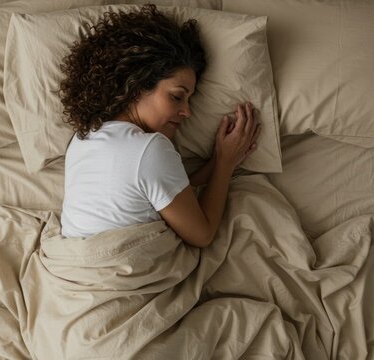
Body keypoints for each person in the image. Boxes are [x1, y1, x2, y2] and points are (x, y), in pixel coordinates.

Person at [59, 4, 260, 248]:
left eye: (189, 99)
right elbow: (203, 234)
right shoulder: (151, 147)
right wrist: (226, 165)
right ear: (135, 86)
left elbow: (164, 195)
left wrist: (219, 159)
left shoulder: (81, 139)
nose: (187, 112)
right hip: (117, 276)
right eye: (177, 96)